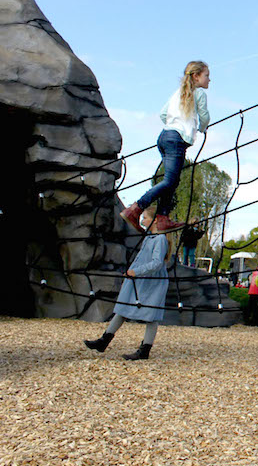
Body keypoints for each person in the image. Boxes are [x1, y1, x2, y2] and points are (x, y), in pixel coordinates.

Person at [120, 61, 211, 233]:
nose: (209, 79)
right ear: (196, 76)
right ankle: (135, 209)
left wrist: (174, 124)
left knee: (172, 181)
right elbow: (204, 116)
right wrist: (201, 128)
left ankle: (163, 218)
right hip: (176, 140)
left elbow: (163, 114)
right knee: (169, 181)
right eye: (206, 75)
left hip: (164, 137)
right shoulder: (199, 93)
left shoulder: (178, 93)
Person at [84, 207, 171, 360]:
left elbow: (157, 263)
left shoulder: (160, 239)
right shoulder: (149, 237)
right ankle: (104, 341)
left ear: (155, 220)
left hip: (152, 282)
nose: (142, 221)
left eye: (145, 218)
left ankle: (145, 350)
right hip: (140, 280)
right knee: (124, 307)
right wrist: (132, 272)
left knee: (152, 315)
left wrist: (136, 272)